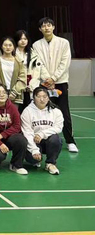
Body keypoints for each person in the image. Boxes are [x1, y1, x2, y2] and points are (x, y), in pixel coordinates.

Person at [31, 17, 77, 153]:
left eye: (49, 25)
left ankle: (70, 141)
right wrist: (47, 79)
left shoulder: (64, 43)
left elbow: (65, 62)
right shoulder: (36, 45)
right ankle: (43, 140)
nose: (46, 28)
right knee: (43, 111)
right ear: (40, 29)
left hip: (61, 82)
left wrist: (54, 78)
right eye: (43, 26)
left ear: (53, 27)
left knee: (64, 111)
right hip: (44, 84)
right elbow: (38, 63)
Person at [21, 87, 64, 175]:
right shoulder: (27, 112)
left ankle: (50, 163)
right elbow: (27, 132)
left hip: (47, 141)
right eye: (39, 96)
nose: (42, 99)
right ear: (33, 98)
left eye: (44, 96)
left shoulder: (56, 111)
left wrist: (42, 134)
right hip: (33, 141)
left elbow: (58, 127)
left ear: (48, 98)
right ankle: (35, 160)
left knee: (56, 139)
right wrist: (34, 150)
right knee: (33, 160)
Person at [0, 37, 27, 110]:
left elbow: (23, 78)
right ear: (1, 46)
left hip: (15, 94)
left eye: (10, 45)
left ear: (14, 47)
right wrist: (0, 91)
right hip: (0, 94)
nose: (8, 47)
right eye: (5, 45)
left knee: (13, 114)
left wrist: (14, 92)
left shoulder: (19, 61)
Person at [14, 30, 33, 111]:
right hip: (17, 84)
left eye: (25, 39)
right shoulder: (12, 52)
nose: (23, 41)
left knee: (28, 108)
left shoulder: (32, 52)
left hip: (29, 85)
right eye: (20, 39)